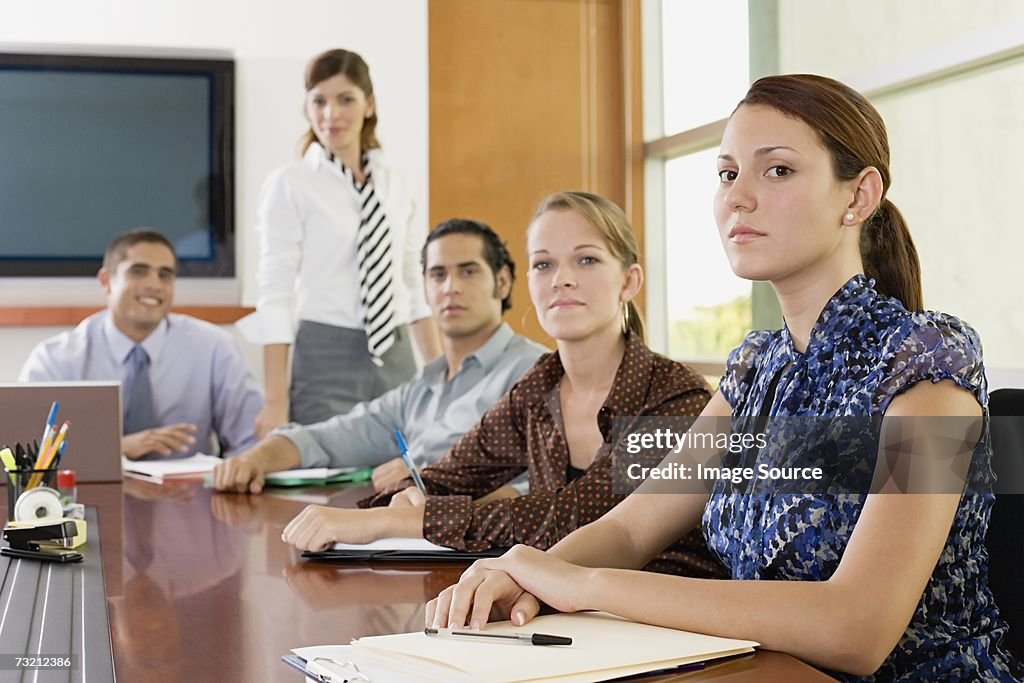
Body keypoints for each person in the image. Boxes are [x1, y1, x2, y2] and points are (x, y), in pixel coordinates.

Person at [425, 75, 1024, 681]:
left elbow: (857, 626)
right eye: (728, 173)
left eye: (779, 170)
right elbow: (633, 526)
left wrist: (582, 584)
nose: (738, 197)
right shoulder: (755, 370)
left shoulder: (930, 360)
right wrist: (520, 575)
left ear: (859, 196)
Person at [279, 192, 726, 581]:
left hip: (679, 629)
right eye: (543, 264)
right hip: (564, 615)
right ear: (528, 281)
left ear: (629, 281)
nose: (561, 279)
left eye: (586, 259)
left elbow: (580, 515)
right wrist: (405, 499)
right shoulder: (538, 389)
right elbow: (451, 474)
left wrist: (403, 522)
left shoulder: (678, 396)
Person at [212, 219, 546, 493]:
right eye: (438, 274)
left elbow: (546, 484)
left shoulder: (533, 372)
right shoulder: (422, 387)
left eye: (468, 272)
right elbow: (326, 439)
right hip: (411, 543)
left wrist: (432, 481)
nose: (450, 287)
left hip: (487, 558)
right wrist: (252, 460)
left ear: (502, 283)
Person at [236, 48, 442, 437]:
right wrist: (276, 400)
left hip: (395, 351)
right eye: (319, 101)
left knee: (405, 477)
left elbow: (413, 282)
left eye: (345, 99)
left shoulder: (394, 183)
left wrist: (441, 376)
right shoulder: (290, 184)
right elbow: (275, 293)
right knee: (329, 478)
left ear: (369, 104)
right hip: (323, 353)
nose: (331, 114)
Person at [19, 229, 262, 460]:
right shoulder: (55, 358)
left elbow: (253, 441)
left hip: (190, 496)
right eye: (138, 271)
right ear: (106, 280)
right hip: (83, 498)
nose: (154, 284)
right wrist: (119, 448)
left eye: (165, 275)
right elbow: (26, 451)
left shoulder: (215, 348)